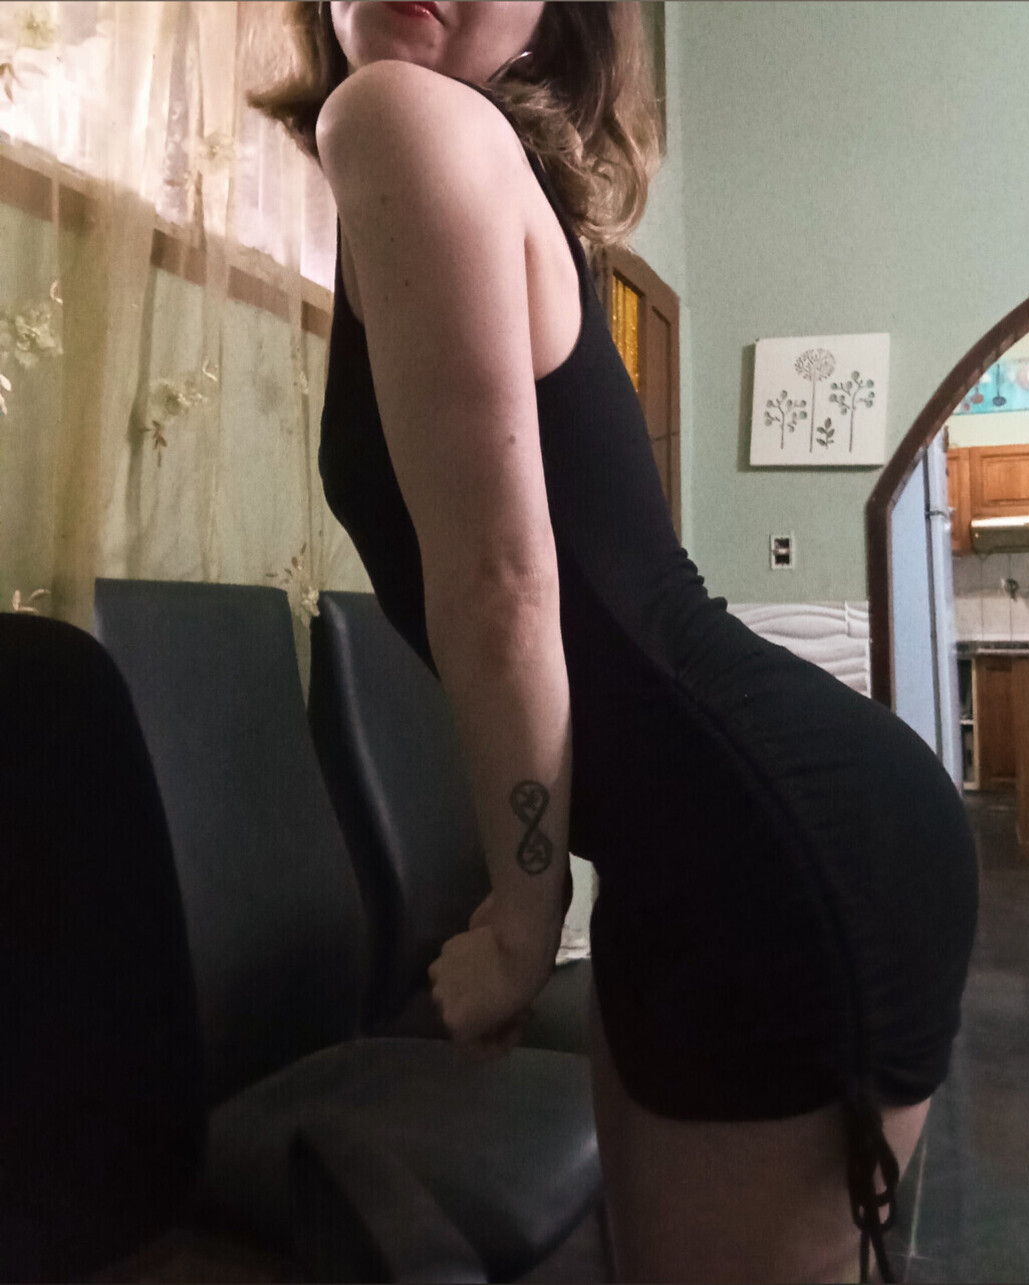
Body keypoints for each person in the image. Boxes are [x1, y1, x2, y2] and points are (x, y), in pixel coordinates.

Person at [248, 4, 979, 1281]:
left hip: (778, 854)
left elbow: (501, 585)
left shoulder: (400, 114)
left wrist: (524, 925)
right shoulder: (458, 154)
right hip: (696, 852)